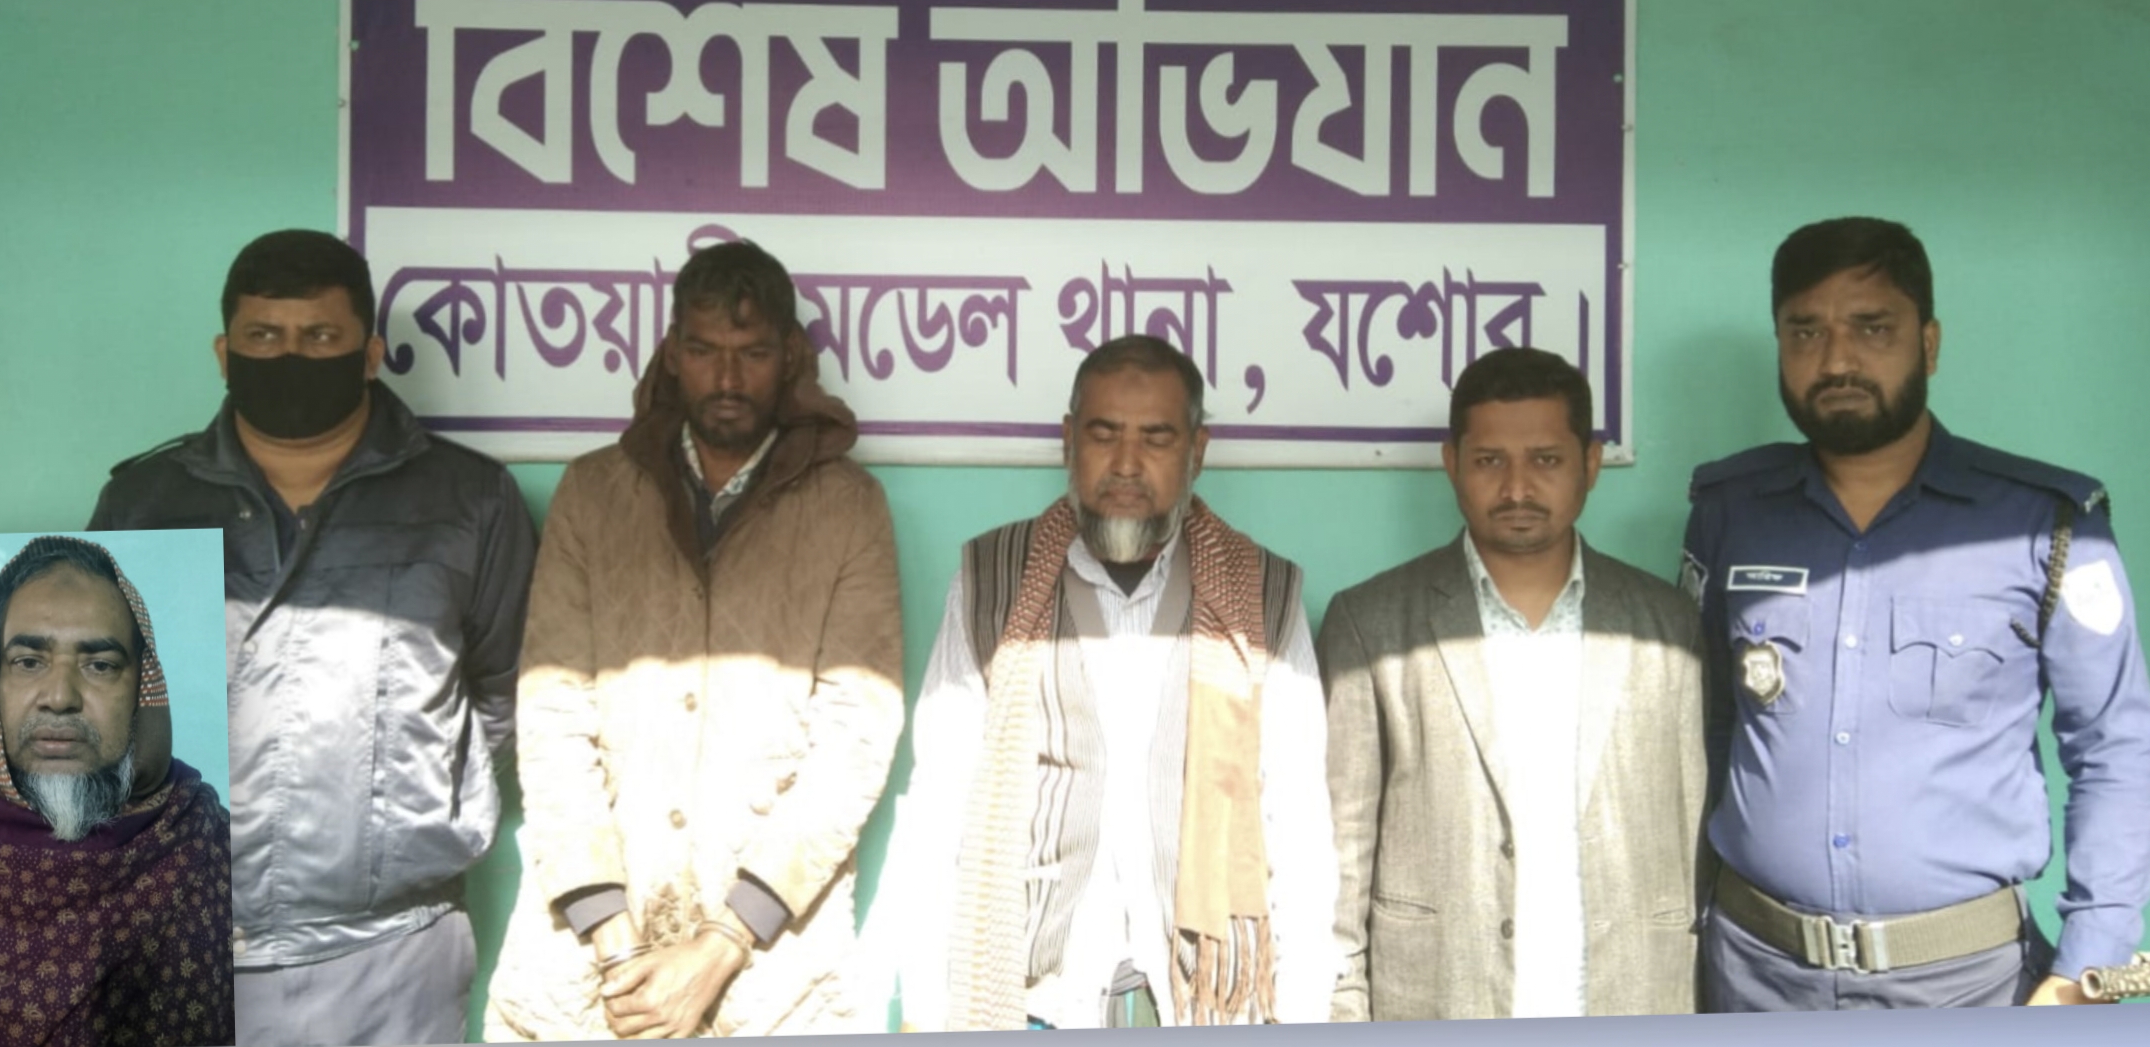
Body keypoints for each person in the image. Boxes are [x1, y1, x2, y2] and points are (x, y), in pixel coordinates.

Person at [1684, 216, 2150, 1010]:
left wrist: (2090, 964)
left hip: (1963, 986)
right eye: (1805, 331)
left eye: (1872, 327)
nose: (1837, 360)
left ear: (1929, 343)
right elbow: (1704, 724)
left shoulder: (2044, 524)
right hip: (1753, 973)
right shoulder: (1730, 512)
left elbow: (2115, 750)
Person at [88, 229, 538, 1044]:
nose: (290, 356)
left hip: (396, 950)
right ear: (224, 353)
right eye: (264, 336)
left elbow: (507, 691)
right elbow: (99, 695)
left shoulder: (470, 499)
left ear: (370, 355)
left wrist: (415, 811)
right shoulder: (145, 501)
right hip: (180, 937)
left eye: (320, 336)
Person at [483, 238, 904, 1040]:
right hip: (587, 958)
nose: (728, 378)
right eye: (706, 351)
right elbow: (551, 714)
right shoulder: (595, 493)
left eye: (753, 354)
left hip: (775, 970)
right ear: (673, 352)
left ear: (792, 356)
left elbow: (857, 736)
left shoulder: (848, 507)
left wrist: (723, 942)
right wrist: (615, 943)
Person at [892, 335, 1338, 1031]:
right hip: (1029, 1004)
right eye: (1104, 435)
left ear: (1197, 451)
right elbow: (938, 804)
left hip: (1205, 1011)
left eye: (1156, 439)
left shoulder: (1261, 595)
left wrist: (1306, 1023)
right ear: (1068, 440)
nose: (1126, 464)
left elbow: (1299, 825)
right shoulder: (991, 583)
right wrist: (924, 1013)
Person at [1320, 348, 1710, 1021]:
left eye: (1546, 460)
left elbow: (1694, 832)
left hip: (1630, 1000)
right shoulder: (1372, 623)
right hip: (1440, 1003)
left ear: (1591, 463)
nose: (1517, 488)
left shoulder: (1665, 625)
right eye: (1489, 461)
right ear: (1452, 463)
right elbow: (1339, 854)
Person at [0, 536, 235, 1045]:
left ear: (141, 688)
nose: (60, 697)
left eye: (99, 665)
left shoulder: (203, 841)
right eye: (29, 661)